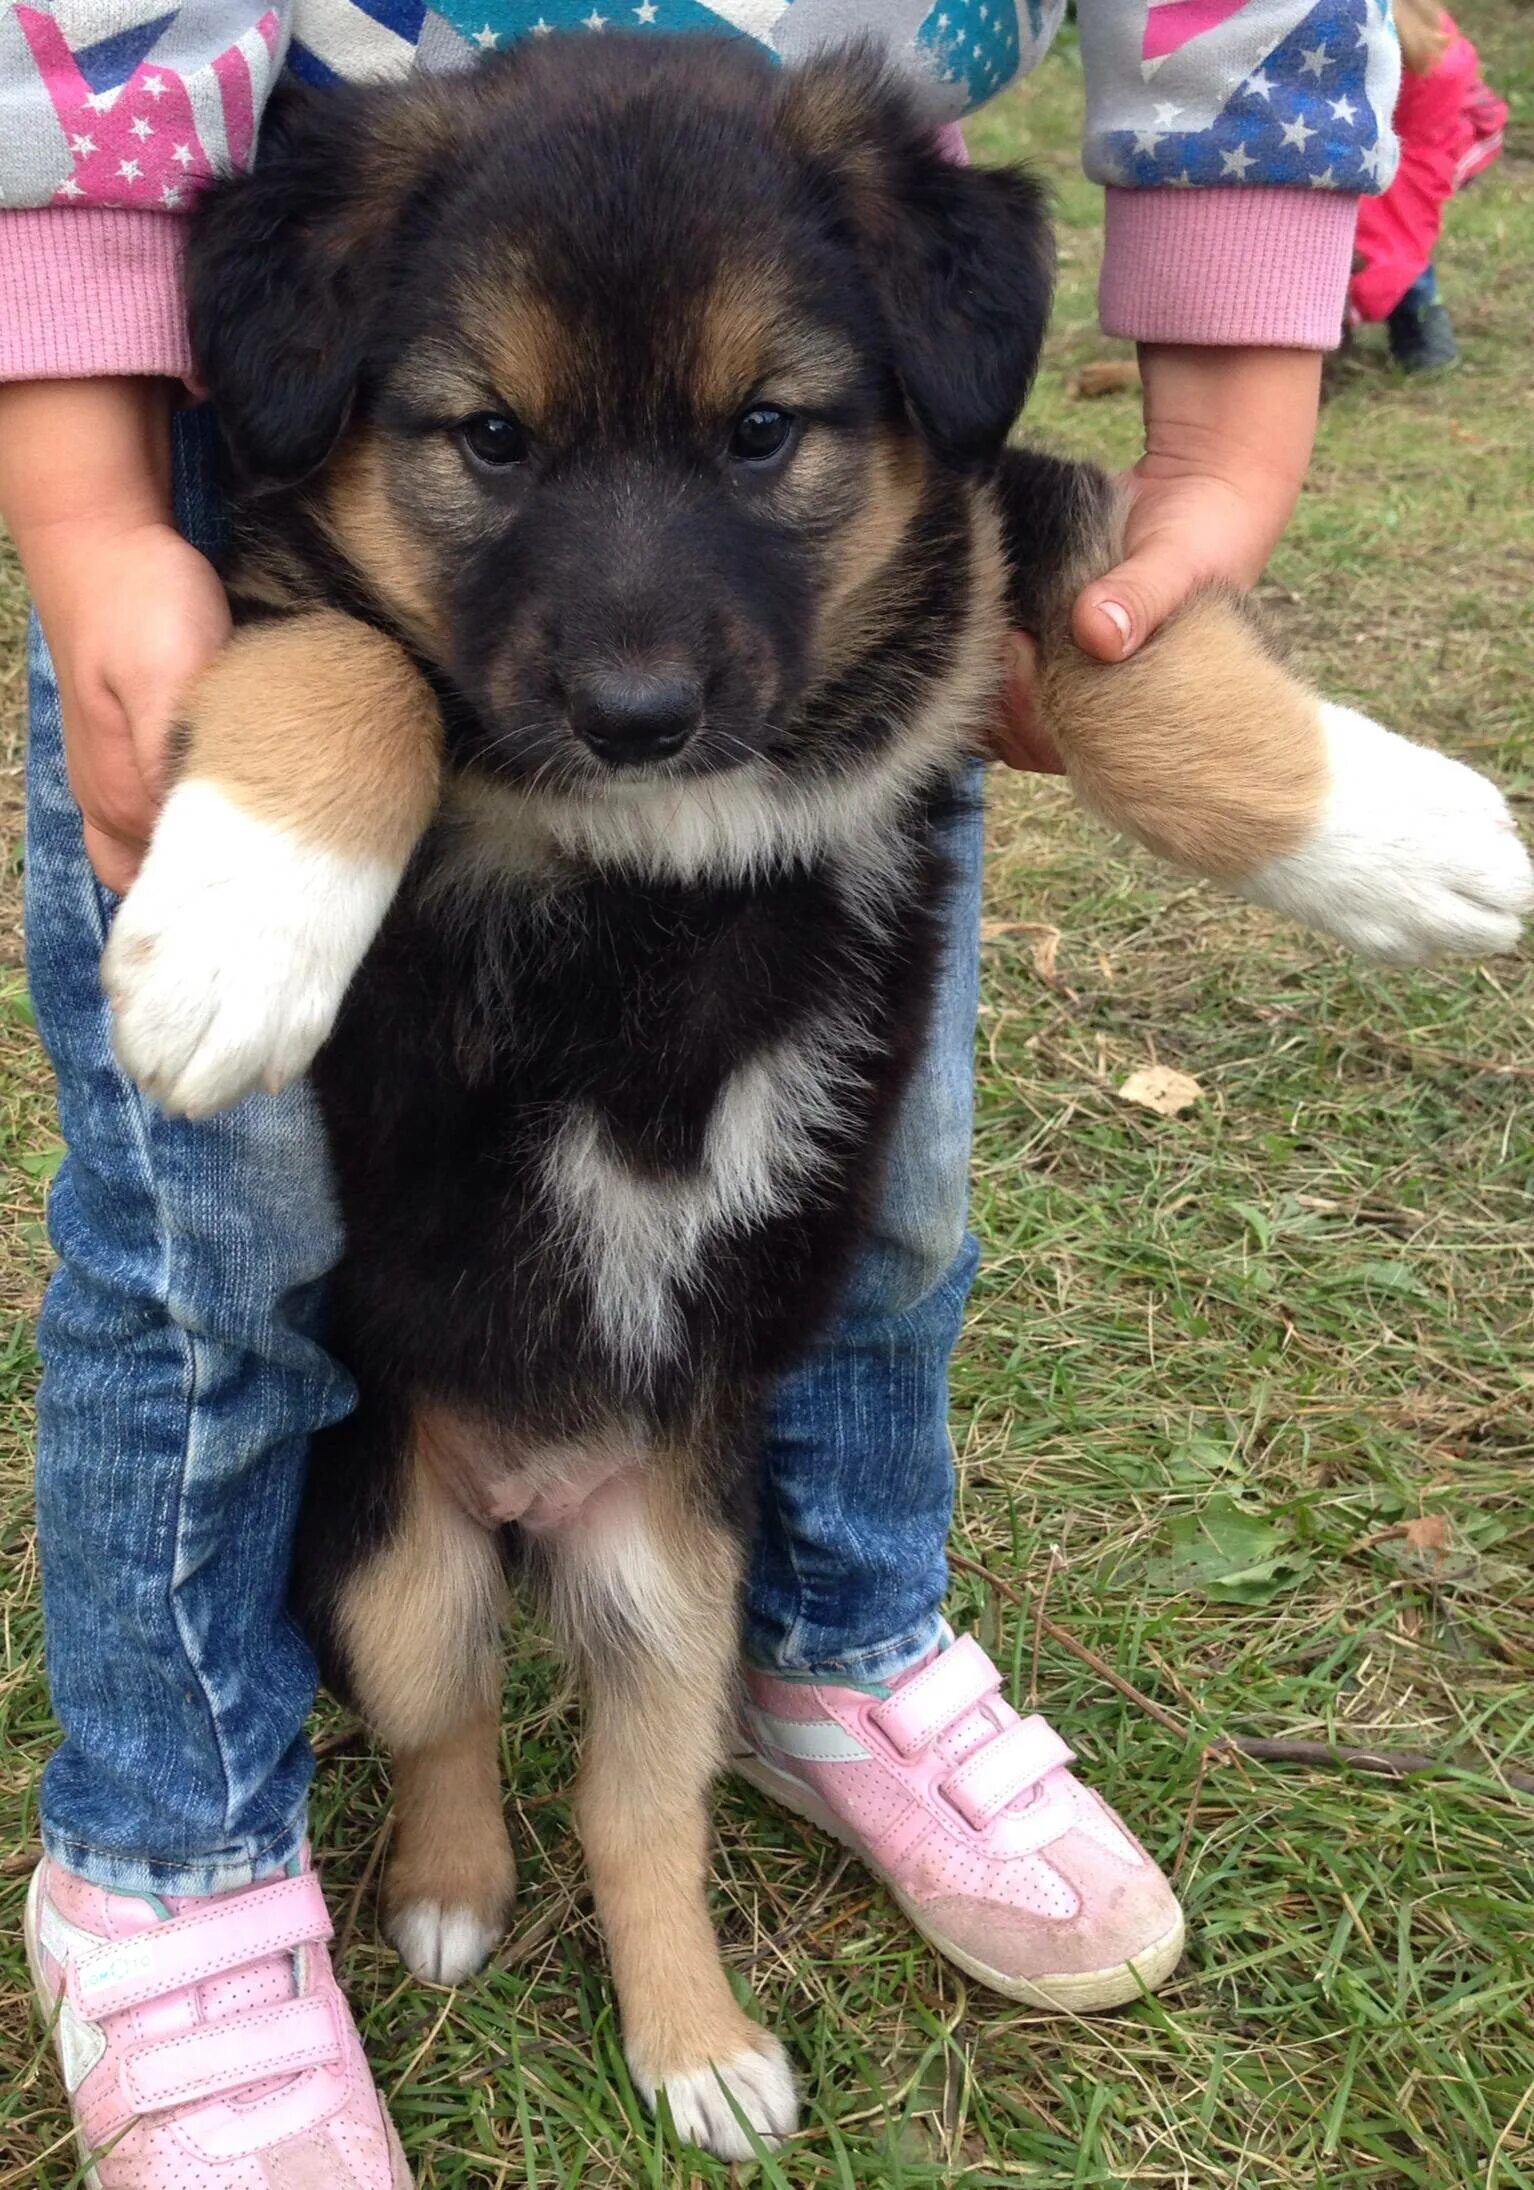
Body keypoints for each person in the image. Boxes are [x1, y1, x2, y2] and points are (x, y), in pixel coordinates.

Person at [0, 4, 1400, 2182]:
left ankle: (829, 1652)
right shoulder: (354, 282)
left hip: (828, 239)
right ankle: (173, 1861)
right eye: (500, 439)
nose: (642, 655)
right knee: (217, 1263)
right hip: (208, 398)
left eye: (763, 441)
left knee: (887, 1221)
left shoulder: (866, 240)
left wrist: (1223, 400)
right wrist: (91, 509)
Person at [1349, 0, 1506, 372]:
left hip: (1426, 142)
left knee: (1392, 242)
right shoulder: (1413, 18)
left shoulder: (1387, 30)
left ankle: (1422, 329)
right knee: (1398, 236)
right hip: (1415, 139)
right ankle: (1418, 333)